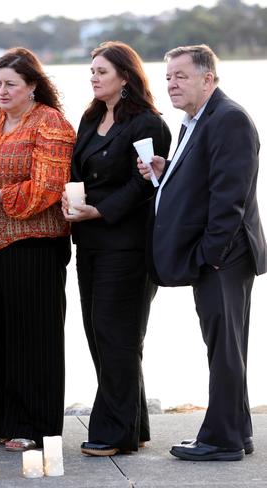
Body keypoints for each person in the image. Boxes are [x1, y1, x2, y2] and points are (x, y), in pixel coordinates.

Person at [138, 44, 265, 461]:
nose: (171, 84)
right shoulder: (195, 121)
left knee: (225, 348)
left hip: (225, 256)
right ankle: (237, 432)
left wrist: (210, 256)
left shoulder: (228, 119)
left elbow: (230, 198)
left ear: (208, 78)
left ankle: (222, 439)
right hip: (217, 254)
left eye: (181, 76)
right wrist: (165, 170)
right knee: (226, 346)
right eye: (168, 76)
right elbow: (199, 180)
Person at [0, 47, 75, 451]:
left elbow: (49, 187)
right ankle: (3, 421)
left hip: (34, 244)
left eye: (10, 84)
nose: (1, 91)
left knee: (33, 338)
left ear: (32, 86)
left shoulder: (51, 123)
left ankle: (36, 427)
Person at [62, 41, 171, 456]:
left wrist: (100, 211)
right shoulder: (90, 119)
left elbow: (145, 183)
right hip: (88, 242)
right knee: (97, 333)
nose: (93, 77)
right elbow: (79, 173)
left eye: (102, 71)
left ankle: (114, 432)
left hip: (127, 244)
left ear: (125, 77)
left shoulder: (148, 124)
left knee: (116, 335)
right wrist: (69, 201)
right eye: (91, 70)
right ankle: (134, 424)